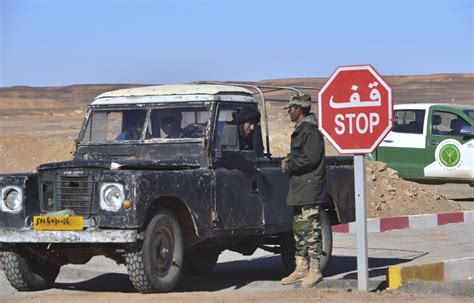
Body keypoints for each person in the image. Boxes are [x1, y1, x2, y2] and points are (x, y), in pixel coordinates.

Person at [280, 94, 326, 288]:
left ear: (299, 109)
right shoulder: (302, 131)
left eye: (291, 108)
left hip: (309, 187)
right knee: (299, 229)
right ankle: (301, 268)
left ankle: (315, 270)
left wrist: (289, 164)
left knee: (311, 230)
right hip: (300, 188)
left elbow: (311, 158)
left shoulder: (310, 131)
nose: (289, 112)